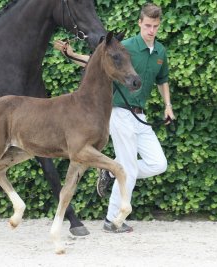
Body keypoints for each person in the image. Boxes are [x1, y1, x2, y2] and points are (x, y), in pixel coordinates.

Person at [54, 3, 175, 233]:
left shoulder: (160, 52)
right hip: (119, 113)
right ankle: (112, 220)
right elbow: (98, 62)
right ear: (140, 23)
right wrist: (70, 54)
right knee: (127, 167)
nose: (151, 30)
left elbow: (163, 80)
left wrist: (167, 105)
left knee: (158, 164)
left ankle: (109, 170)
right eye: (148, 25)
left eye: (155, 26)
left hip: (141, 116)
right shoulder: (126, 46)